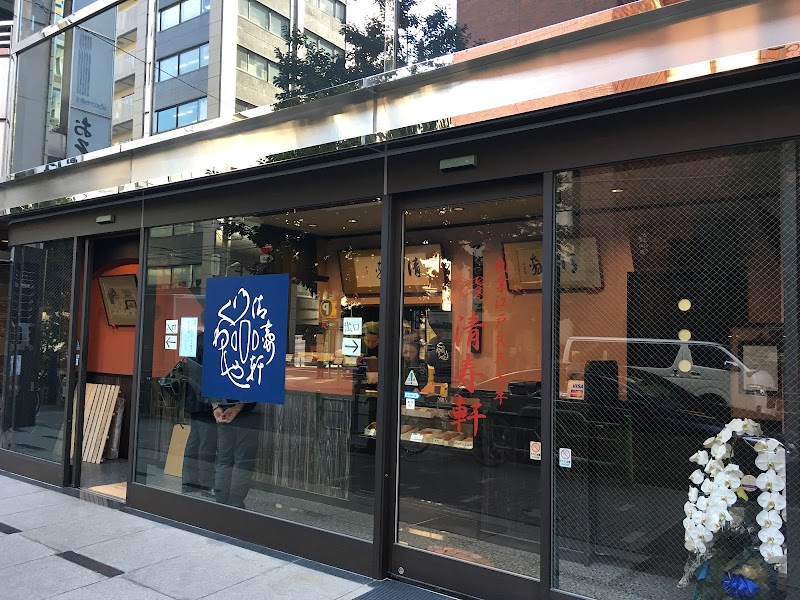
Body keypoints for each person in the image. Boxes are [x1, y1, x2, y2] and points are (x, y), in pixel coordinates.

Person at [212, 398, 259, 509]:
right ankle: (235, 505)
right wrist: (238, 407)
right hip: (246, 413)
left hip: (223, 412)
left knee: (224, 460)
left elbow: (209, 389)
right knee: (243, 463)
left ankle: (220, 503)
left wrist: (215, 406)